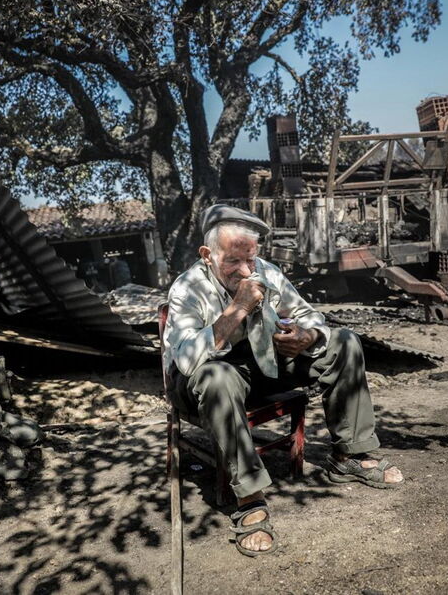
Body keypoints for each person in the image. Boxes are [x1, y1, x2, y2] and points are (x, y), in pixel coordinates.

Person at [163, 205, 403, 557]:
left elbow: (310, 315)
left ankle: (351, 455)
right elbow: (187, 360)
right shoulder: (187, 288)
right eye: (233, 261)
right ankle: (249, 498)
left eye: (251, 258)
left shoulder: (267, 273)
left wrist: (307, 336)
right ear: (207, 254)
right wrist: (237, 309)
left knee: (344, 342)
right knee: (217, 376)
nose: (246, 270)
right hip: (201, 380)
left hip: (260, 366)